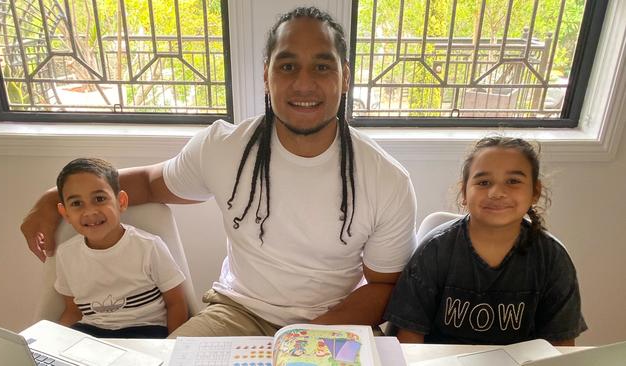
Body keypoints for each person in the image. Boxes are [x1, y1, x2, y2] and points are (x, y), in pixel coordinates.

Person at [21, 7, 417, 337]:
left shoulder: (386, 179)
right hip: (235, 313)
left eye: (322, 66)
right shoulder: (224, 147)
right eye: (288, 65)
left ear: (344, 76)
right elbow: (146, 184)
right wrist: (50, 198)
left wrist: (304, 338)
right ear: (267, 75)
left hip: (333, 324)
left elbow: (384, 284)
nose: (303, 83)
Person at [384, 137, 587, 345]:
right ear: (464, 192)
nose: (497, 192)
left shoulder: (552, 259)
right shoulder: (434, 251)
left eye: (513, 181)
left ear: (535, 191)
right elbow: (409, 337)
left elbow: (562, 345)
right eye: (483, 182)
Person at [53, 158, 189, 338]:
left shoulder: (148, 246)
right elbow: (73, 310)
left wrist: (172, 346)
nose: (90, 212)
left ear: (121, 202)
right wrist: (55, 342)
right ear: (65, 213)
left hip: (146, 331)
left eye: (99, 199)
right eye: (77, 203)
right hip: (93, 334)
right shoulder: (66, 254)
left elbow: (176, 303)